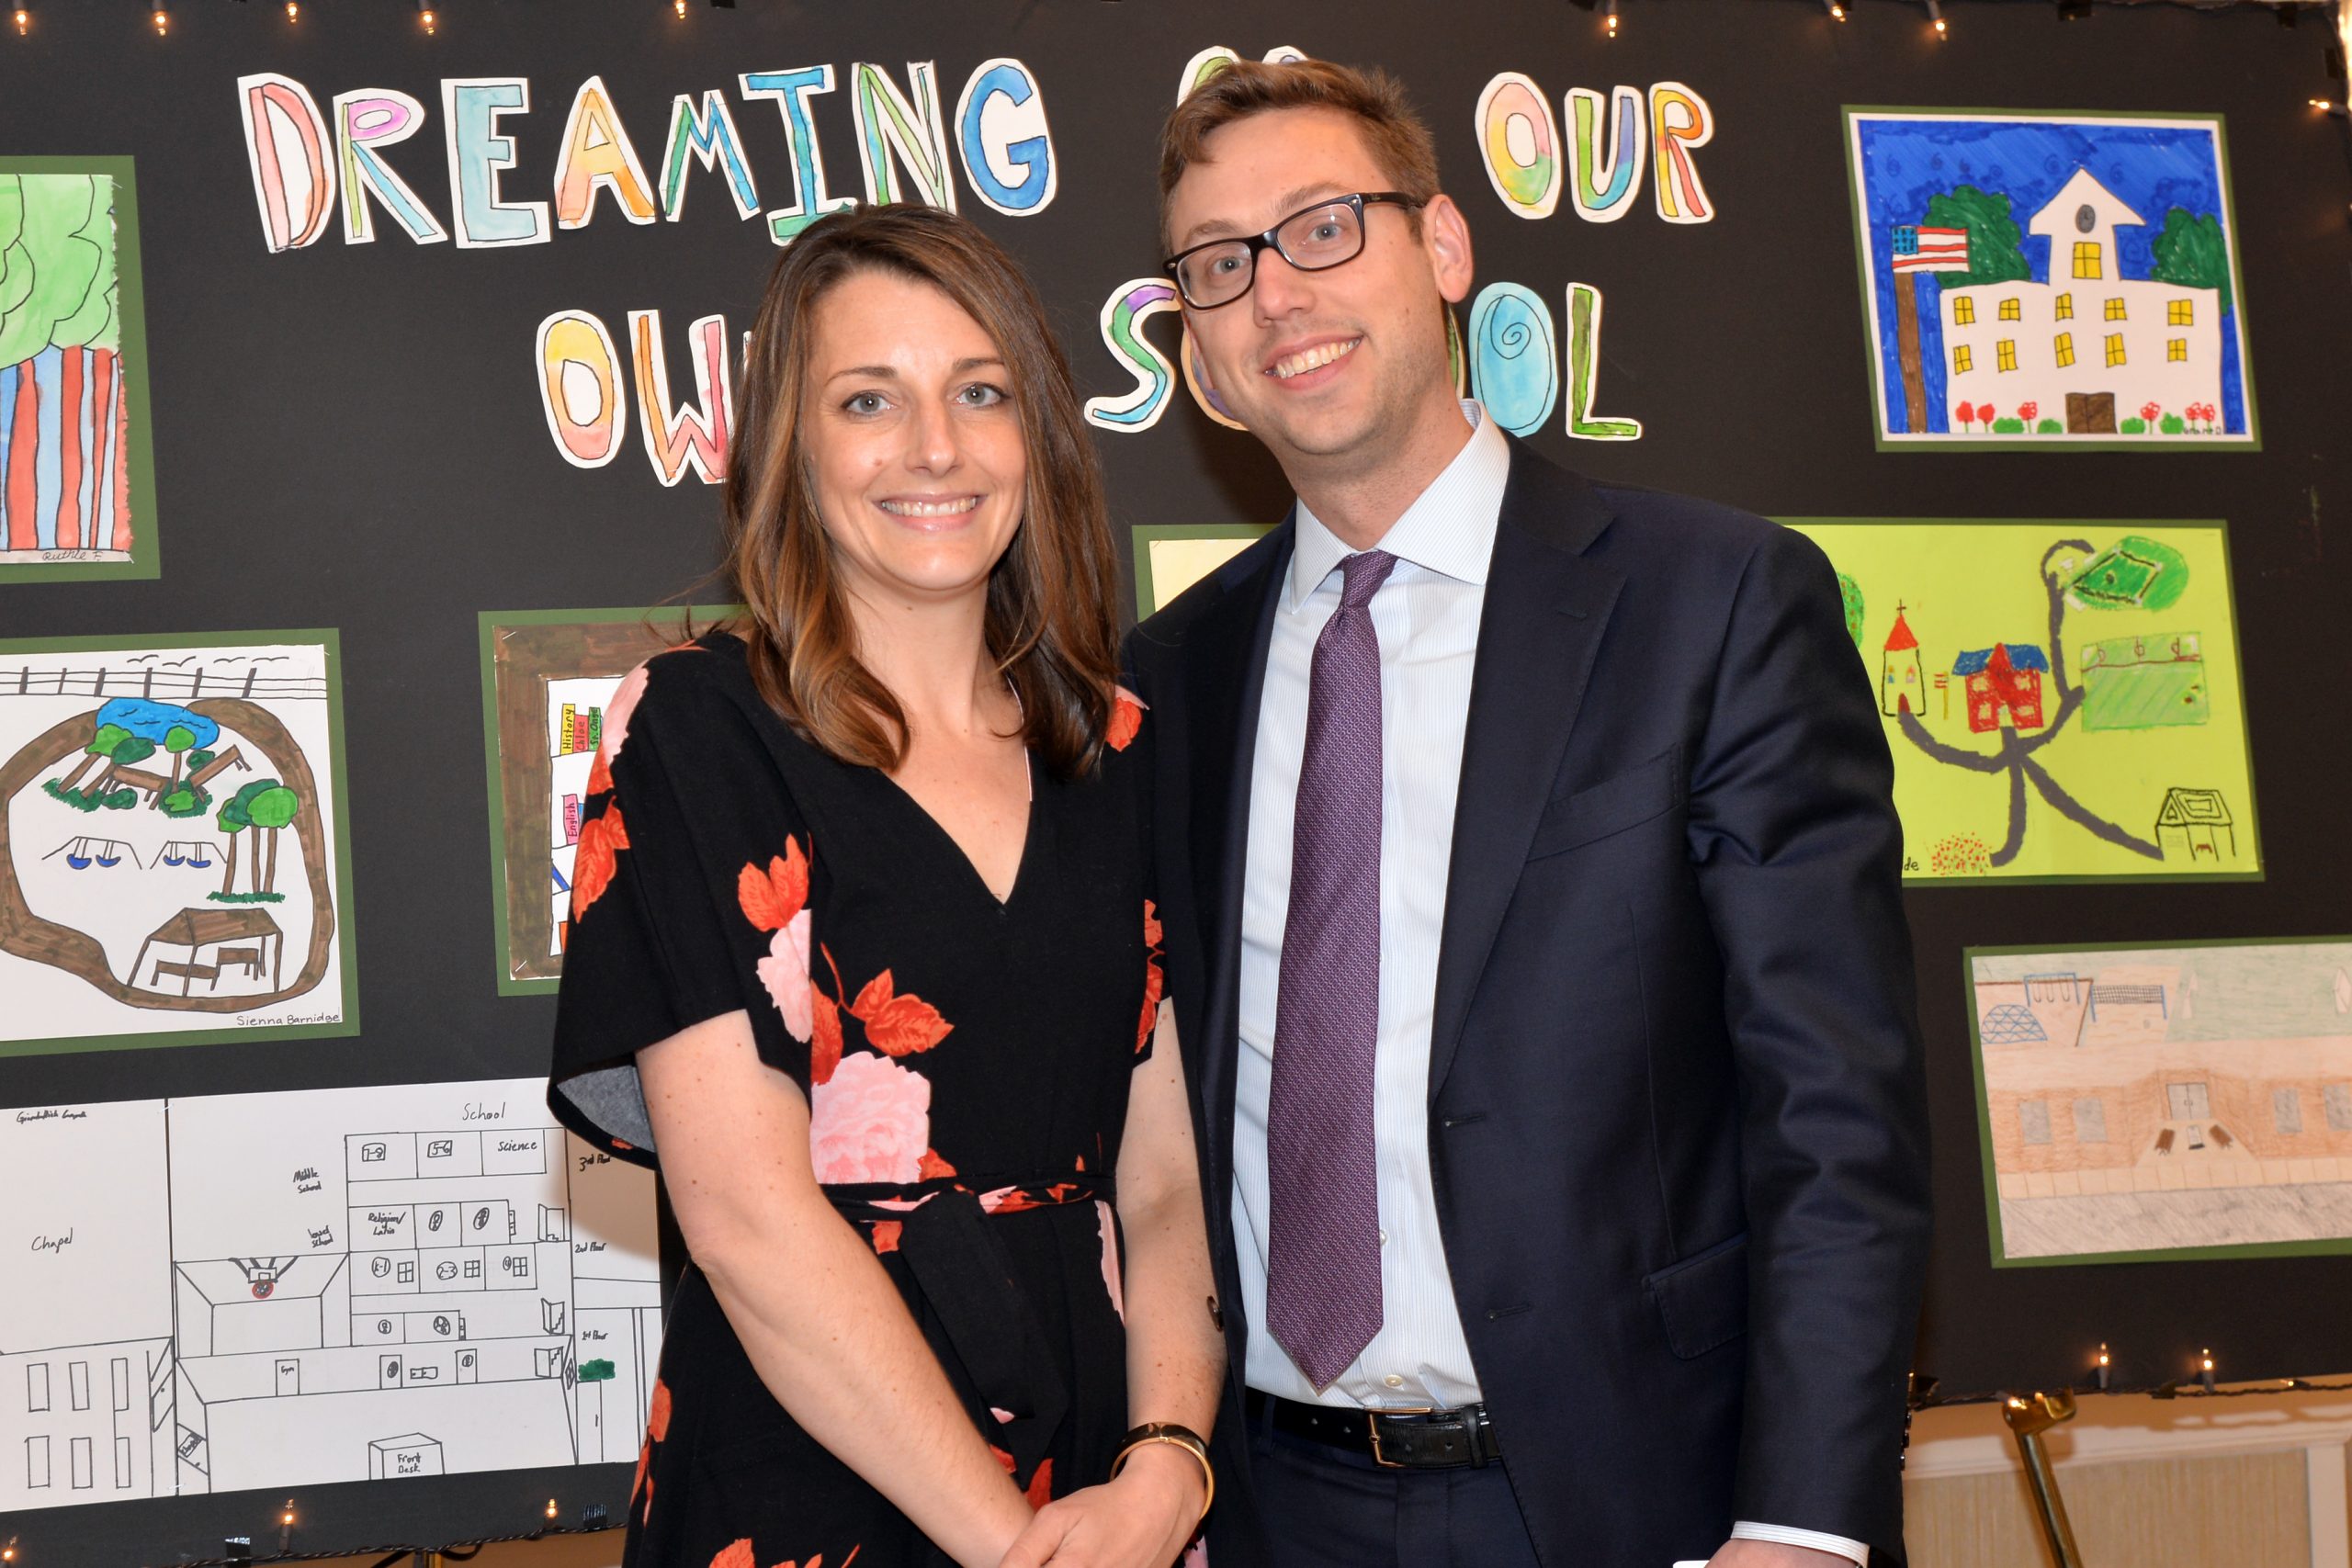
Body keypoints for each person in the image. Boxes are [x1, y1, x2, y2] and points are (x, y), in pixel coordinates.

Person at [1124, 61, 1932, 1568]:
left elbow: (1835, 1111)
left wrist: (1805, 1527)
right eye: (1220, 265)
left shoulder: (1714, 603)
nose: (1276, 294)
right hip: (1272, 1506)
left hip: (1631, 1502)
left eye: (1322, 227)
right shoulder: (1170, 676)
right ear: (1198, 350)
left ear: (1442, 248)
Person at [548, 203, 1223, 1568]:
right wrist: (1012, 1547)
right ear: (790, 448)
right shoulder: (696, 734)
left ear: (1038, 433)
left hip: (1110, 1494)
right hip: (814, 1478)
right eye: (870, 399)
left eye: (981, 392)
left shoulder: (1121, 746)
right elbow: (745, 1223)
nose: (934, 447)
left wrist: (1167, 1468)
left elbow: (1165, 1182)